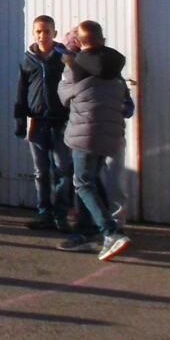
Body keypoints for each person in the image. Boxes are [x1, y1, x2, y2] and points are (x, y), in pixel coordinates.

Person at [60, 20, 133, 262]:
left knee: (82, 183)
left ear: (79, 43)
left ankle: (110, 232)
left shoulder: (75, 65)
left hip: (85, 131)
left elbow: (64, 96)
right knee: (93, 180)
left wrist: (67, 66)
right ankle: (88, 231)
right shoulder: (114, 67)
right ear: (102, 39)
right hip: (109, 132)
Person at [14, 14, 74, 231]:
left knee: (62, 169)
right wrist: (20, 120)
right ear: (33, 33)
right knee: (40, 171)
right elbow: (21, 91)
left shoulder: (64, 58)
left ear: (54, 33)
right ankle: (43, 213)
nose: (42, 35)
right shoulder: (27, 60)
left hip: (61, 121)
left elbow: (74, 86)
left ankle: (61, 214)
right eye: (38, 31)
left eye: (47, 31)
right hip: (37, 122)